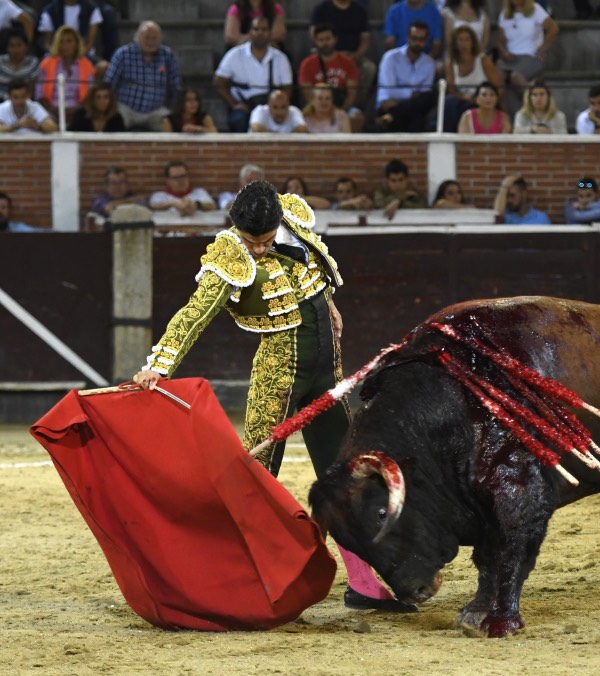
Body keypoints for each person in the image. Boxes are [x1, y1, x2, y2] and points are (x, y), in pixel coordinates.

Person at [131, 180, 417, 614]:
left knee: (345, 475)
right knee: (256, 480)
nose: (259, 250)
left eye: (264, 241)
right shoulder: (229, 253)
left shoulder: (294, 220)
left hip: (326, 372)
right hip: (279, 375)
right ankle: (235, 581)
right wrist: (160, 365)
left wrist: (331, 304)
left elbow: (316, 275)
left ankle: (362, 583)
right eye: (252, 242)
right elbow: (195, 312)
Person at [214, 16, 293, 133]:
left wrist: (277, 107)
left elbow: (287, 88)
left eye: (264, 29)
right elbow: (219, 82)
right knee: (238, 119)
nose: (260, 33)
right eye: (256, 29)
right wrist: (234, 103)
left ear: (270, 33)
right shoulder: (235, 55)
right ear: (249, 32)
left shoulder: (280, 58)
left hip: (271, 107)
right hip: (245, 106)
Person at [104, 21, 181, 131]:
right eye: (147, 38)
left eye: (155, 38)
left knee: (170, 125)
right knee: (113, 122)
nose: (151, 42)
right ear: (138, 38)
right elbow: (109, 83)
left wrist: (175, 109)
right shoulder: (122, 54)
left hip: (156, 110)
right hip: (126, 108)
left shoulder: (167, 55)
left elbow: (176, 85)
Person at [297, 23, 363, 133]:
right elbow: (307, 94)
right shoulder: (307, 64)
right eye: (320, 40)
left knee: (357, 116)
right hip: (316, 106)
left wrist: (340, 111)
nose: (324, 43)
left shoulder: (348, 62)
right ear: (316, 42)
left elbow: (352, 92)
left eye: (327, 39)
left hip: (342, 105)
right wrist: (321, 109)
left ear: (335, 39)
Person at [309, 0, 375, 109]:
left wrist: (357, 55)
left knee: (369, 68)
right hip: (326, 52)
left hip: (352, 55)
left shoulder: (359, 10)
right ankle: (314, 106)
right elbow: (314, 33)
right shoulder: (322, 8)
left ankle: (355, 106)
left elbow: (365, 39)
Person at [375, 21, 436, 133]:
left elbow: (424, 96)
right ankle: (391, 115)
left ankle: (391, 116)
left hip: (412, 109)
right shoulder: (391, 58)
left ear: (426, 41)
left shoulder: (429, 63)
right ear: (408, 38)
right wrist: (412, 94)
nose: (417, 43)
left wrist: (403, 98)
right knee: (416, 112)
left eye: (421, 40)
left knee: (428, 98)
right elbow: (390, 91)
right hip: (388, 107)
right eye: (414, 38)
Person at [496, 0, 558, 110]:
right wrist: (504, 53)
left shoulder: (535, 9)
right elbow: (500, 40)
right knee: (497, 76)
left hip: (531, 56)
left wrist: (542, 49)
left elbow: (553, 28)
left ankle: (536, 108)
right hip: (511, 58)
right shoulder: (504, 14)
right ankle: (503, 112)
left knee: (515, 76)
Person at [443, 25, 503, 132]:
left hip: (481, 99)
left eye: (467, 39)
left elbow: (498, 86)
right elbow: (451, 89)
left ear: (472, 42)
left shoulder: (483, 60)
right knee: (448, 102)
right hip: (461, 99)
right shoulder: (451, 62)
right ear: (455, 43)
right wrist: (464, 97)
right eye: (460, 40)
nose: (464, 44)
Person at [36, 26, 95, 126]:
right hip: (51, 110)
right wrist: (53, 110)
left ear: (76, 44)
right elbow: (39, 94)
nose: (65, 45)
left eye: (69, 41)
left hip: (79, 111)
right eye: (61, 42)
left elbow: (91, 94)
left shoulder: (86, 65)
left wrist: (75, 110)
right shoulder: (47, 63)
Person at [38, 0, 103, 63]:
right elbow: (48, 43)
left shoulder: (91, 9)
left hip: (84, 54)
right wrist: (58, 55)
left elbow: (90, 41)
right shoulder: (50, 11)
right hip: (57, 55)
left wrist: (79, 55)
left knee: (103, 66)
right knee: (44, 64)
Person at [148, 161, 217, 216]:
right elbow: (153, 206)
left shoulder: (199, 192)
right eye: (176, 178)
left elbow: (212, 205)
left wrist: (196, 205)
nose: (181, 181)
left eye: (183, 176)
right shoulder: (159, 195)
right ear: (168, 180)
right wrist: (173, 203)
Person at [0, 29, 40, 101]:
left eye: (19, 45)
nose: (16, 49)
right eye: (12, 46)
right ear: (7, 48)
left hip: (25, 102)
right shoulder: (1, 62)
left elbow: (32, 88)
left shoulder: (33, 63)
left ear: (26, 47)